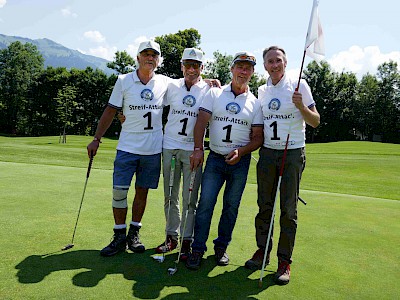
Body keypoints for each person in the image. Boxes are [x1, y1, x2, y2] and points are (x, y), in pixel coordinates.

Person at [244, 46, 320, 285]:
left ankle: (284, 261)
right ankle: (262, 251)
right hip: (268, 154)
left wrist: (301, 107)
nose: (274, 65)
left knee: (288, 210)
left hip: (293, 152)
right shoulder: (262, 90)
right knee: (264, 206)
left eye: (278, 60)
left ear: (285, 63)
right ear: (265, 66)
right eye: (270, 61)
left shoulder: (300, 85)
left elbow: (315, 121)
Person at [87, 40, 170, 257]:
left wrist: (208, 82)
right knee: (119, 193)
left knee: (142, 192)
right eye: (146, 54)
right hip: (127, 148)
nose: (150, 58)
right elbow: (111, 110)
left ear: (158, 60)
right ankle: (118, 236)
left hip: (152, 151)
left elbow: (188, 86)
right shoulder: (123, 81)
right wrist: (97, 138)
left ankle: (134, 234)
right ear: (138, 58)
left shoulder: (165, 82)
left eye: (154, 55)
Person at [186, 51, 264, 270]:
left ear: (252, 72)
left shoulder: (255, 103)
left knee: (231, 207)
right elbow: (201, 123)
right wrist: (198, 148)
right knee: (206, 205)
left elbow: (258, 137)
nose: (243, 71)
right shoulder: (214, 94)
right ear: (232, 69)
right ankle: (197, 249)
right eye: (239, 66)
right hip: (215, 159)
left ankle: (221, 247)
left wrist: (242, 151)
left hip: (240, 163)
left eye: (248, 68)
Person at [154, 48, 209, 260]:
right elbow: (149, 102)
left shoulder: (209, 90)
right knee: (170, 195)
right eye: (188, 64)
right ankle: (171, 237)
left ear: (202, 68)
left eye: (196, 65)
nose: (192, 69)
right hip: (169, 146)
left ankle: (187, 240)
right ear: (181, 66)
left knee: (190, 198)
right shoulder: (171, 86)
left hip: (192, 151)